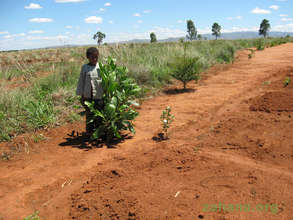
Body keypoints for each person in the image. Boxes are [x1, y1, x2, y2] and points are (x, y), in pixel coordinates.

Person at [76, 47, 104, 134]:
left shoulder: (101, 67)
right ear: (88, 57)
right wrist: (81, 95)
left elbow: (105, 82)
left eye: (96, 57)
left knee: (99, 116)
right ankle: (90, 133)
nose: (94, 59)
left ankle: (99, 133)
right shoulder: (84, 68)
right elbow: (81, 81)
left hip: (99, 97)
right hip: (87, 97)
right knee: (89, 116)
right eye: (92, 57)